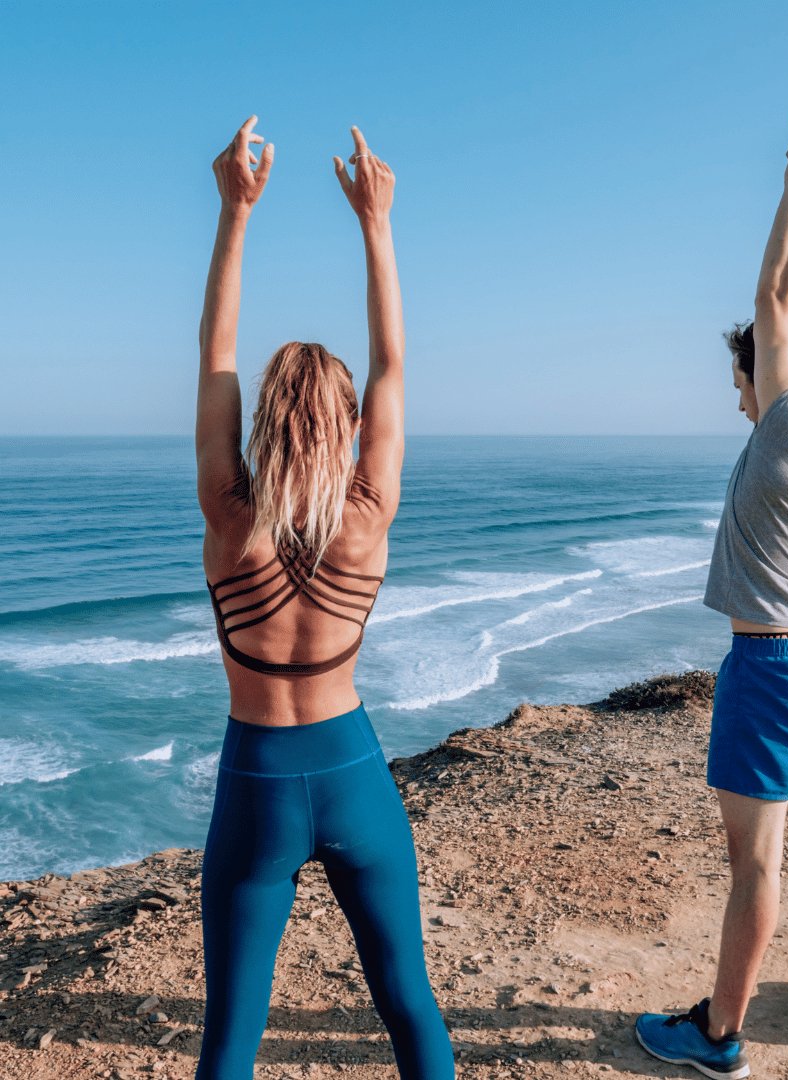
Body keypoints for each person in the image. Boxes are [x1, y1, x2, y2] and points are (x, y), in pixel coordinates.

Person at [194, 116, 455, 1080]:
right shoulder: (370, 512)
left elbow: (216, 358)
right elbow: (392, 367)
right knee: (408, 1004)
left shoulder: (230, 512)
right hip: (352, 768)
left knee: (232, 1037)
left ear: (264, 418)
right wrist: (376, 224)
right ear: (346, 423)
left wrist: (235, 211)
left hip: (256, 776)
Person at [635, 106, 788, 1078]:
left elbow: (779, 303)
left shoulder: (780, 432)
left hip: (771, 666)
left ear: (770, 380)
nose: (737, 393)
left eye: (745, 379)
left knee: (758, 864)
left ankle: (718, 1035)